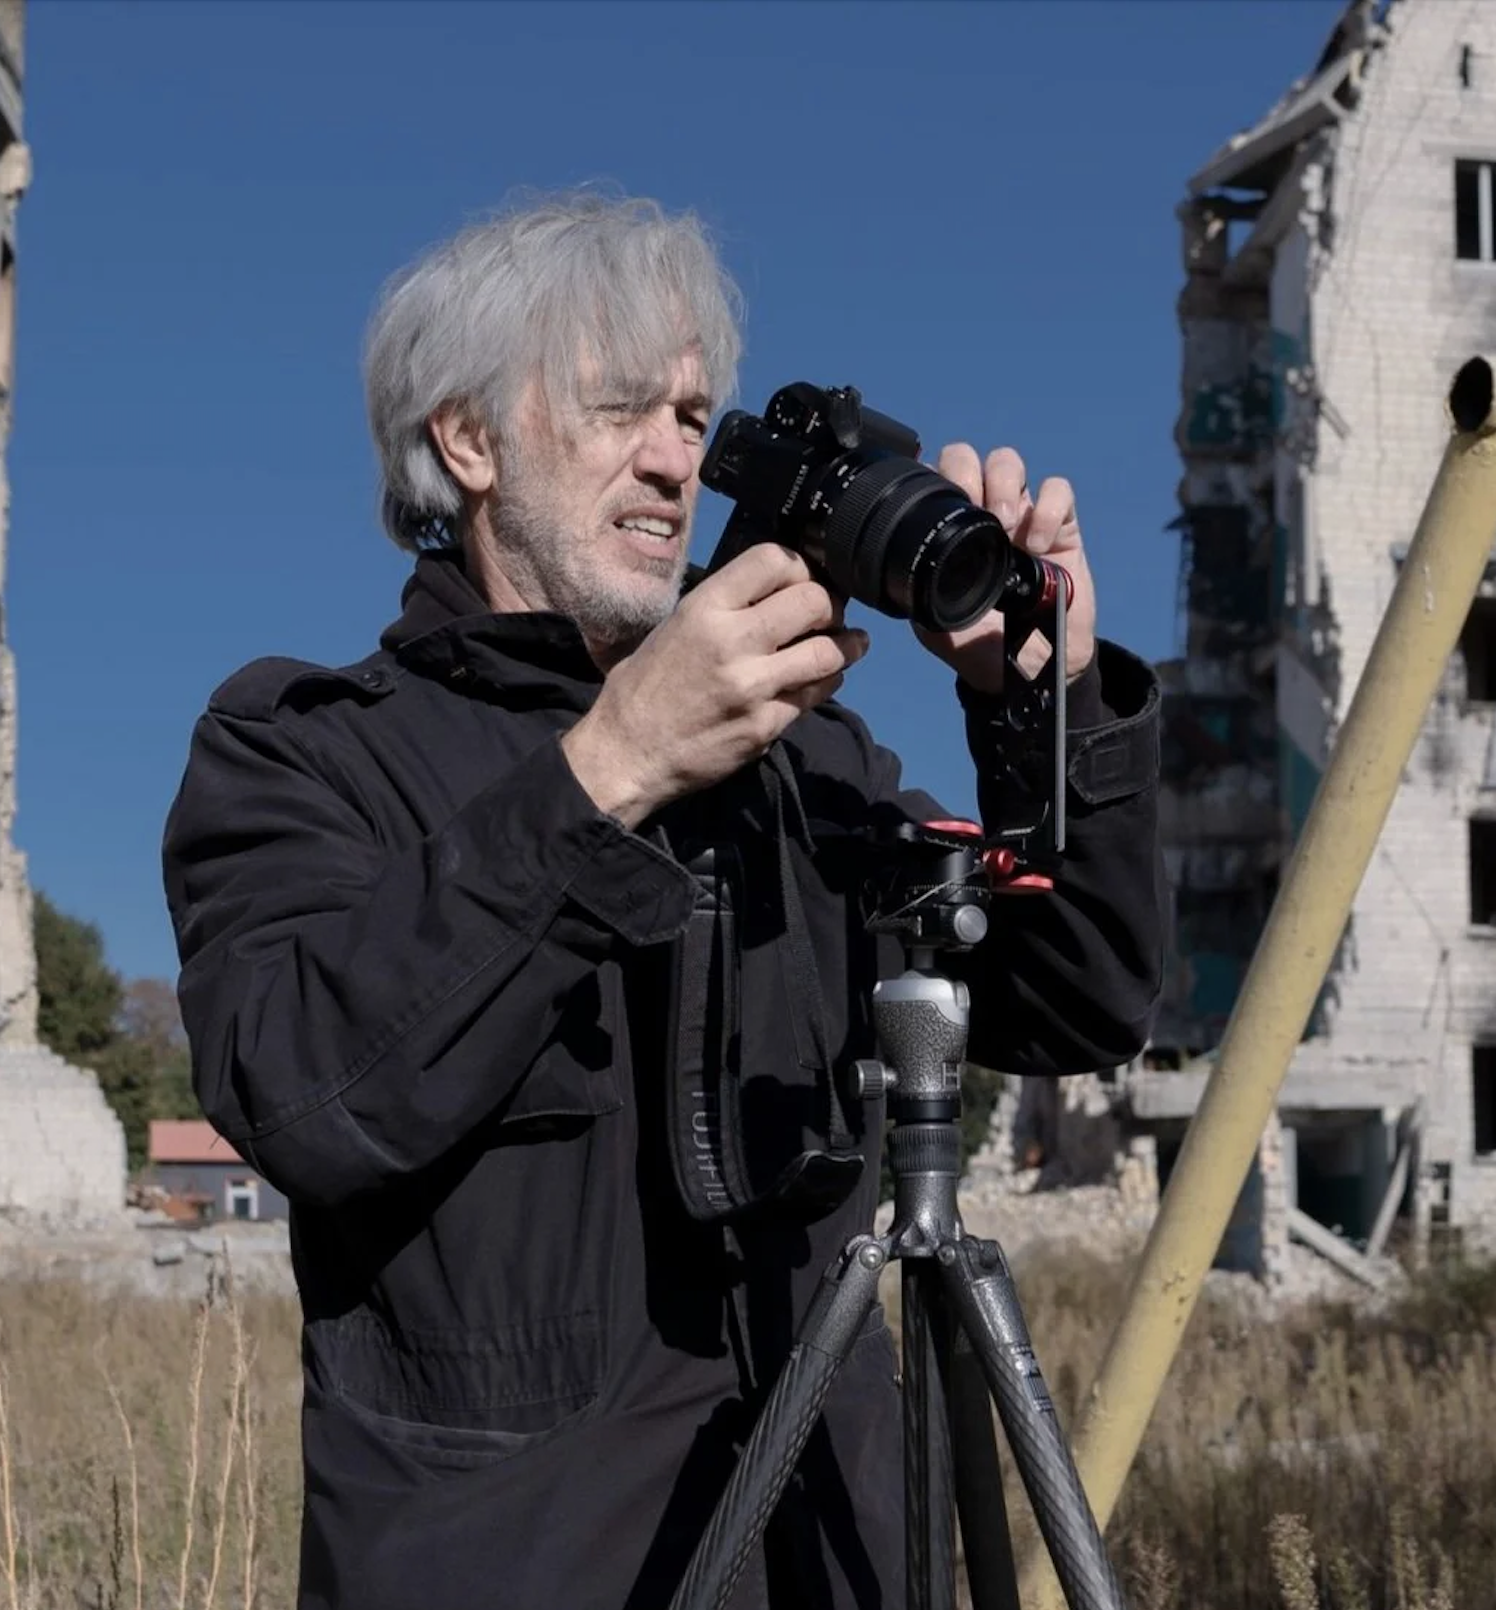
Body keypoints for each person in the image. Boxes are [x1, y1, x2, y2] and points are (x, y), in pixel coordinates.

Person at [161, 189, 1168, 1610]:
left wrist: (1041, 708)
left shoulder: (808, 759)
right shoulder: (312, 749)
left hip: (835, 1558)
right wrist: (612, 770)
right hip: (521, 1570)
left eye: (693, 416)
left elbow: (1081, 1003)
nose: (671, 459)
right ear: (468, 441)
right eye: (618, 406)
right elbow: (305, 1095)